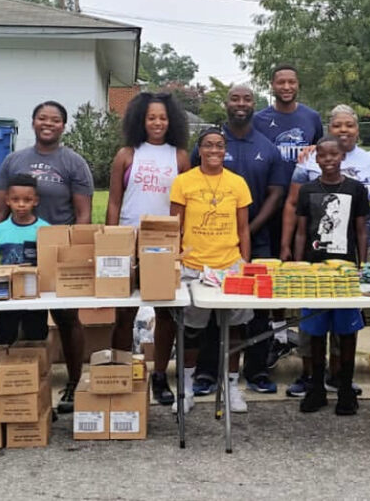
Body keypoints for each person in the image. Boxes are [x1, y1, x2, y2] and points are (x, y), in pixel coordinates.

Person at [0, 100, 94, 414]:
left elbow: (83, 213)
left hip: (56, 253)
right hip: (15, 256)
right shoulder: (13, 161)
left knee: (67, 319)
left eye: (56, 119)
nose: (49, 123)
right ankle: (5, 385)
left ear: (63, 125)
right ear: (33, 122)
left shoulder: (73, 163)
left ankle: (74, 383)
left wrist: (72, 252)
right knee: (8, 320)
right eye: (42, 118)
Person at [281, 104, 370, 398]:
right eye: (338, 125)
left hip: (348, 256)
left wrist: (363, 263)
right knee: (312, 322)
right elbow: (297, 212)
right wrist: (290, 250)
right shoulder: (308, 167)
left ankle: (341, 380)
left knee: (345, 322)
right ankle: (310, 379)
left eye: (350, 125)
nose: (344, 130)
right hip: (315, 260)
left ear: (357, 129)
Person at [189, 84, 290, 396]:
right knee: (208, 306)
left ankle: (256, 370)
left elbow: (276, 193)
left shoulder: (267, 147)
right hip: (211, 241)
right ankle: (207, 373)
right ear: (226, 103)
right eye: (235, 98)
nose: (241, 103)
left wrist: (250, 226)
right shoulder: (212, 143)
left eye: (247, 98)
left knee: (254, 310)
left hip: (255, 238)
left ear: (254, 104)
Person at [106, 92, 190, 405]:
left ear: (172, 122)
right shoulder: (127, 154)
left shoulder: (179, 156)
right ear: (141, 120)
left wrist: (179, 242)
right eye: (151, 117)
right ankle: (122, 368)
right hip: (129, 239)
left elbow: (184, 204)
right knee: (124, 311)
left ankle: (159, 374)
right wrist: (112, 241)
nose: (157, 123)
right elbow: (114, 200)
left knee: (166, 312)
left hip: (164, 244)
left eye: (163, 118)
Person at [170, 127, 252, 414]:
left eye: (219, 145)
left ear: (225, 149)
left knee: (235, 329)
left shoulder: (238, 183)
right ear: (200, 149)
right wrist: (175, 263)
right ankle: (187, 389)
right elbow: (174, 228)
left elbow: (243, 228)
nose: (214, 150)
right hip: (194, 267)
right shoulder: (183, 182)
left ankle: (230, 388)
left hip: (229, 265)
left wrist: (245, 264)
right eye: (208, 145)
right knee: (191, 331)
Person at [252, 64, 324, 367]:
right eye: (280, 82)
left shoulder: (311, 118)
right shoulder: (259, 119)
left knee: (302, 270)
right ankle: (275, 336)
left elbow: (323, 154)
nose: (286, 86)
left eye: (291, 81)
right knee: (270, 271)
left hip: (304, 209)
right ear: (272, 85)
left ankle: (305, 344)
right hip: (268, 204)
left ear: (298, 85)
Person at [294, 136, 370, 414]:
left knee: (346, 332)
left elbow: (361, 230)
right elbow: (301, 231)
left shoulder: (355, 189)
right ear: (316, 159)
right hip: (314, 272)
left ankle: (346, 389)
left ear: (342, 158)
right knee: (315, 331)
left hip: (346, 272)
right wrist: (299, 264)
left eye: (333, 155)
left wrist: (364, 266)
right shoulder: (306, 190)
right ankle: (315, 388)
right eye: (323, 156)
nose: (328, 160)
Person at [0, 173, 50, 345]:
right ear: (7, 200)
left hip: (34, 294)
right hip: (6, 294)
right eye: (16, 200)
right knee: (5, 334)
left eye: (27, 200)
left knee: (36, 335)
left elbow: (50, 262)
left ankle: (36, 368)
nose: (21, 205)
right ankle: (4, 368)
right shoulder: (0, 229)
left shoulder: (44, 229)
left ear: (35, 201)